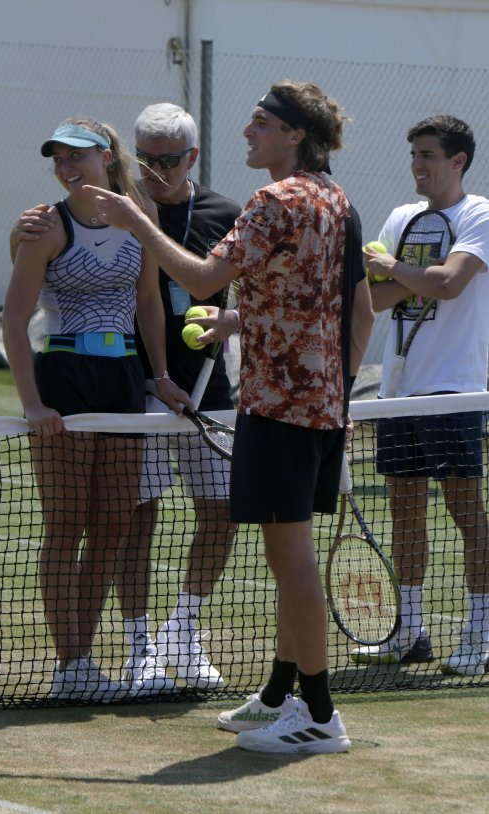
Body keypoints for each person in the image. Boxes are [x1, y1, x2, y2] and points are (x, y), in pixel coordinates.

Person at [82, 80, 374, 753]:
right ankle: (277, 693)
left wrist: (135, 221)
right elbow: (315, 299)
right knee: (284, 557)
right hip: (317, 402)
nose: (247, 133)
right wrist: (240, 320)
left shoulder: (274, 199)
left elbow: (198, 278)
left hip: (280, 406)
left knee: (290, 559)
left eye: (261, 123)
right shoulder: (334, 197)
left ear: (294, 135)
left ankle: (321, 714)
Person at [10, 104, 241, 694]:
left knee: (112, 526)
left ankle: (88, 663)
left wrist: (160, 374)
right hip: (65, 375)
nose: (66, 167)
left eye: (77, 156)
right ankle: (73, 666)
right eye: (59, 159)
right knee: (67, 528)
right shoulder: (46, 225)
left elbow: (145, 307)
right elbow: (14, 321)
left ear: (105, 158)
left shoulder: (138, 222)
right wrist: (33, 404)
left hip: (123, 381)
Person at [353, 115, 489, 676]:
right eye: (414, 154)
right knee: (404, 513)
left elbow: (450, 283)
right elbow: (377, 300)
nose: (417, 164)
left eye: (428, 155)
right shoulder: (401, 218)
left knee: (466, 514)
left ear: (457, 161)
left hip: (454, 391)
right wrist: (399, 275)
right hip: (397, 393)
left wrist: (392, 268)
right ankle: (409, 631)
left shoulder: (478, 214)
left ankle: (479, 633)